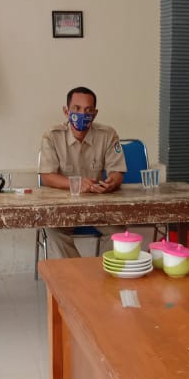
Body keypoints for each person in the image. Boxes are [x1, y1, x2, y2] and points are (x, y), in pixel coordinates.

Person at [38, 86, 127, 258]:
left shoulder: (108, 135)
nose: (82, 114)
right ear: (66, 111)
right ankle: (78, 273)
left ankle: (104, 271)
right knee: (54, 232)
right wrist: (76, 184)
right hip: (62, 206)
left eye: (88, 110)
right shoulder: (52, 136)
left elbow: (117, 172)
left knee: (119, 234)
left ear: (95, 113)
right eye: (76, 109)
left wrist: (112, 183)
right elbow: (47, 177)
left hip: (98, 205)